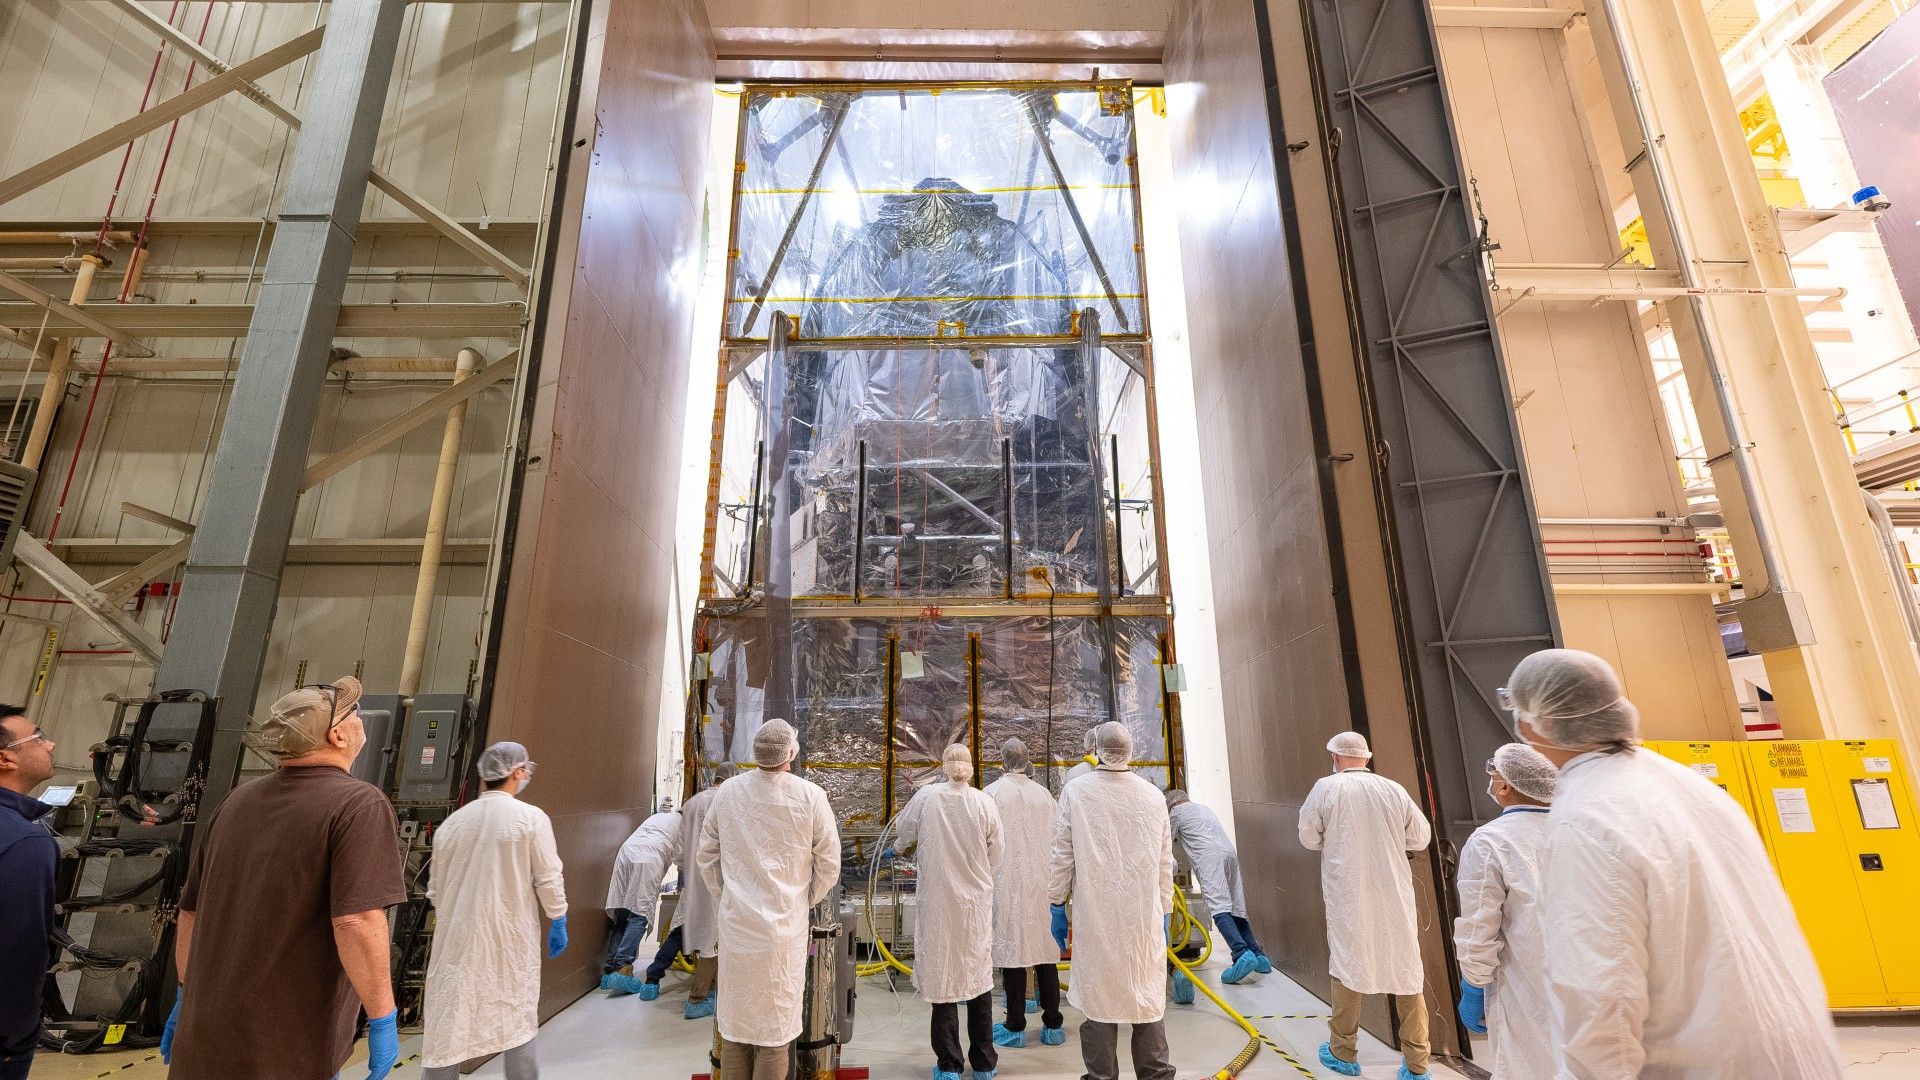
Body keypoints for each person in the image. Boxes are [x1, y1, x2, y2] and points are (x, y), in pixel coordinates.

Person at [1505, 649, 1844, 1079]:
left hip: (1707, 1063)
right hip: (1793, 1048)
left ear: (1541, 724)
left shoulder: (1587, 818)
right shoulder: (1686, 784)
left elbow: (1599, 996)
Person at [163, 677, 407, 1080]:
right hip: (285, 1051)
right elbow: (357, 921)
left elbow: (189, 913)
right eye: (355, 713)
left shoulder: (235, 802)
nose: (361, 719)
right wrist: (383, 1017)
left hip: (204, 1040)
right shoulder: (358, 805)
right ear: (337, 736)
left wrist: (185, 994)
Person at [696, 719, 841, 1080]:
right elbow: (829, 862)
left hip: (738, 929)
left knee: (736, 1030)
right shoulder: (810, 796)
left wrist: (727, 896)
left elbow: (706, 855)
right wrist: (805, 899)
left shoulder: (729, 792)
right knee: (775, 1032)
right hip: (784, 932)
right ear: (791, 752)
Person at [420, 742, 567, 1080]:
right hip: (509, 940)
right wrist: (558, 916)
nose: (527, 774)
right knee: (516, 1018)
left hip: (456, 942)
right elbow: (548, 877)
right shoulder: (530, 819)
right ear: (516, 772)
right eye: (525, 769)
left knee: (449, 1026)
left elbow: (435, 891)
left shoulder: (453, 824)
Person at [1298, 730, 1433, 1080]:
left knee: (1348, 963)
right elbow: (1420, 836)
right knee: (1405, 969)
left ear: (1335, 757)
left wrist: (1336, 839)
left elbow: (1308, 837)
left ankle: (1343, 1052)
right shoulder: (1393, 789)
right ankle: (1417, 1064)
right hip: (1394, 894)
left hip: (1349, 894)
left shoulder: (1326, 788)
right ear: (1367, 758)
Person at [1048, 721, 1177, 1080]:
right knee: (1144, 996)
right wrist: (1165, 909)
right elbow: (1165, 862)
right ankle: (1156, 1074)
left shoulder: (1077, 792)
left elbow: (1061, 854)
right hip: (1143, 918)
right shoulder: (1152, 796)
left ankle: (1101, 1076)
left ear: (1097, 750)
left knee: (1099, 999)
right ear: (1130, 751)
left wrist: (1056, 903)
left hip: (1096, 915)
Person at [896, 744, 1005, 1080]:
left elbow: (903, 830)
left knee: (943, 978)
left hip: (939, 904)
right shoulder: (984, 803)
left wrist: (896, 849)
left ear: (944, 766)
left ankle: (949, 1064)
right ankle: (984, 1063)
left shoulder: (927, 798)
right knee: (977, 977)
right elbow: (997, 852)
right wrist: (978, 876)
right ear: (970, 767)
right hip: (974, 906)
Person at [1451, 743, 1556, 1079]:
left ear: (1506, 786)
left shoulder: (1490, 841)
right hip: (1589, 984)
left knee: (1527, 1064)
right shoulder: (1580, 830)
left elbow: (1479, 926)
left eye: (1493, 775)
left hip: (1524, 984)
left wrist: (1473, 984)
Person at [982, 737, 1066, 1049]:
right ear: (1027, 760)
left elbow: (982, 841)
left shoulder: (991, 794)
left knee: (1013, 952)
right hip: (1042, 883)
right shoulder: (1044, 795)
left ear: (1002, 760)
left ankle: (1015, 1024)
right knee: (1045, 951)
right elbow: (1059, 838)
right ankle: (1053, 1023)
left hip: (1006, 884)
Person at [634, 765, 736, 1017]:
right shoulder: (729, 802)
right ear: (732, 779)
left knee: (681, 929)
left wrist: (685, 871)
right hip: (719, 878)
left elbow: (679, 848)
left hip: (693, 877)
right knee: (713, 939)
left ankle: (652, 979)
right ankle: (699, 997)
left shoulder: (692, 804)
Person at [1, 706, 58, 1080]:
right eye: (38, 737)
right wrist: (17, 1042)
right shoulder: (24, 841)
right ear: (6, 759)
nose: (50, 744)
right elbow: (19, 951)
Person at [1164, 789, 1270, 984]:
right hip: (1229, 854)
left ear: (1171, 804)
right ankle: (1258, 955)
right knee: (1236, 905)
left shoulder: (1175, 814)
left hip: (1209, 858)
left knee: (1219, 906)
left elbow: (1164, 844)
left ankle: (1241, 953)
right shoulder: (1203, 808)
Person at [601, 801, 682, 989]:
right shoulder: (687, 827)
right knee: (639, 915)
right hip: (649, 858)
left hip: (626, 853)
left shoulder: (660, 817)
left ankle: (609, 970)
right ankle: (622, 966)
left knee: (623, 913)